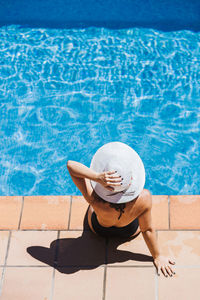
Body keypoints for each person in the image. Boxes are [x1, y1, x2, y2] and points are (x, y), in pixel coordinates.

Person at [67, 141, 176, 277]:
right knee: (142, 216)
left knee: (91, 207)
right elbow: (147, 230)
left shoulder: (95, 199)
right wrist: (157, 256)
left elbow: (70, 165)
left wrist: (97, 177)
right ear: (131, 182)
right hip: (128, 231)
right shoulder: (144, 198)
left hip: (100, 230)